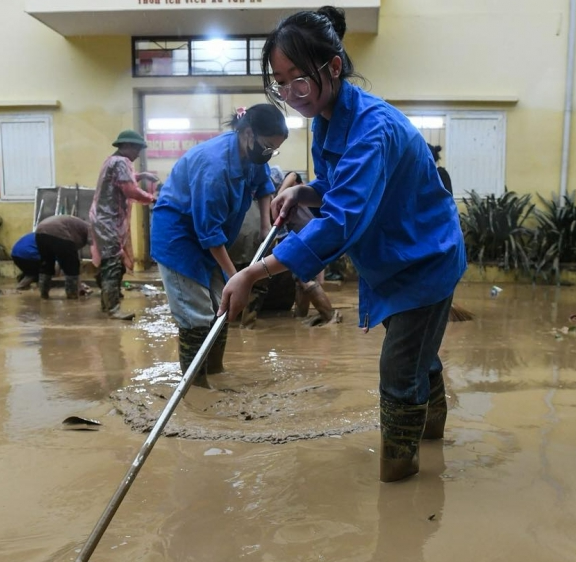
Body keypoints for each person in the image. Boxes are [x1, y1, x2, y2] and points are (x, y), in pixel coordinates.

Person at [219, 6, 466, 483]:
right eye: (280, 81)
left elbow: (341, 221)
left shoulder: (373, 128)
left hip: (424, 258)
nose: (291, 94)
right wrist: (304, 190)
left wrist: (254, 271)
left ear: (333, 67)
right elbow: (338, 185)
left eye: (299, 79)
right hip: (391, 258)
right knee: (416, 353)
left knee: (398, 371)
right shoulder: (328, 119)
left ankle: (401, 474)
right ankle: (433, 432)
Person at [151, 104, 286, 388]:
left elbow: (263, 186)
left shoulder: (250, 155)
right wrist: (235, 276)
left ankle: (216, 373)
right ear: (248, 134)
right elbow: (209, 232)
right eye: (267, 146)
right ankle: (196, 388)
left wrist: (265, 225)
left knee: (221, 305)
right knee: (196, 313)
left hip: (209, 237)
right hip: (179, 238)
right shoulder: (213, 167)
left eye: (275, 150)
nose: (269, 154)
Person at [89, 130, 158, 320]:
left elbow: (123, 180)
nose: (137, 154)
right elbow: (129, 189)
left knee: (111, 262)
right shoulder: (121, 162)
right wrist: (153, 199)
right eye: (136, 149)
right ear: (126, 146)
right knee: (112, 263)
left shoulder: (111, 161)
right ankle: (112, 308)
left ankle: (108, 302)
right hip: (108, 220)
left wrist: (141, 175)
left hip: (103, 218)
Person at [273, 169, 340, 326]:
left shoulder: (287, 182)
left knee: (304, 279)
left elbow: (293, 175)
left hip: (305, 231)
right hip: (302, 232)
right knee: (301, 278)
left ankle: (330, 316)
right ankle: (300, 317)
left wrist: (278, 195)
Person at [35, 214, 91, 300]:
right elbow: (95, 250)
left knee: (46, 264)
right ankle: (72, 296)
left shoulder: (76, 225)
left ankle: (43, 294)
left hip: (40, 231)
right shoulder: (91, 228)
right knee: (72, 267)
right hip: (59, 232)